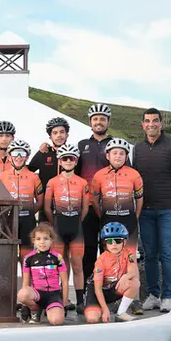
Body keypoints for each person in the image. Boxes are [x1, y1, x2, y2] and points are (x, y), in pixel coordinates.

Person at [133, 108, 171, 313]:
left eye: (155, 121)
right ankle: (153, 295)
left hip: (168, 209)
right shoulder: (137, 149)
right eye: (147, 121)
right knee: (149, 255)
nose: (151, 124)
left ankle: (168, 296)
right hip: (145, 210)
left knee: (167, 253)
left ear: (161, 123)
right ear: (143, 125)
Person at [44, 144, 90, 312]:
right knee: (59, 266)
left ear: (76, 161)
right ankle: (61, 300)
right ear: (60, 161)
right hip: (58, 226)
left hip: (76, 227)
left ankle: (79, 302)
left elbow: (85, 209)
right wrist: (56, 221)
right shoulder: (52, 182)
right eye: (65, 158)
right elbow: (47, 208)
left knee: (77, 265)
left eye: (71, 158)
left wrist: (75, 220)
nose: (68, 161)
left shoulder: (83, 182)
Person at [75, 104, 114, 288]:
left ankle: (109, 290)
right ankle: (88, 291)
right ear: (90, 122)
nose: (99, 122)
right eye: (95, 119)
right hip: (88, 206)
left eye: (102, 119)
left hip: (111, 206)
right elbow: (71, 170)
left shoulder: (115, 145)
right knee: (88, 249)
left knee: (110, 249)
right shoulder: (82, 145)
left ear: (108, 121)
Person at [92, 138, 143, 250]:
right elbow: (95, 200)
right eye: (114, 153)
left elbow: (139, 199)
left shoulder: (134, 174)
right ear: (107, 156)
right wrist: (102, 216)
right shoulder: (99, 175)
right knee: (107, 257)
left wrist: (136, 216)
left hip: (128, 220)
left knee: (130, 257)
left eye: (122, 153)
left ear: (126, 156)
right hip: (107, 220)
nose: (118, 156)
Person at [85, 222, 140, 323]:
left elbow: (133, 271)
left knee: (134, 282)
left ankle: (121, 313)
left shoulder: (128, 254)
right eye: (110, 241)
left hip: (112, 288)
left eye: (118, 240)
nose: (114, 244)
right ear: (105, 243)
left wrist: (126, 276)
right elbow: (97, 288)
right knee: (92, 319)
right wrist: (105, 310)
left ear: (124, 241)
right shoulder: (101, 260)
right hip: (96, 292)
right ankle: (105, 307)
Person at [0, 140, 43, 260]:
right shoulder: (2, 176)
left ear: (27, 157)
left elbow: (40, 201)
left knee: (26, 257)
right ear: (9, 156)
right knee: (6, 257)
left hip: (27, 221)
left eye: (22, 154)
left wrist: (29, 212)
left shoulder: (34, 177)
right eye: (15, 153)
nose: (18, 157)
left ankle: (26, 279)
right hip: (7, 219)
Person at [17, 223, 68, 325]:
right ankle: (35, 310)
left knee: (56, 321)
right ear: (34, 241)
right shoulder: (28, 258)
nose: (42, 242)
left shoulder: (58, 257)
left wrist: (65, 303)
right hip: (38, 294)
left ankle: (51, 309)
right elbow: (26, 282)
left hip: (53, 294)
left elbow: (65, 281)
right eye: (38, 239)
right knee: (22, 294)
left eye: (46, 238)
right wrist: (24, 305)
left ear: (51, 240)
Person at [29, 117, 70, 204]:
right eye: (55, 133)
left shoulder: (73, 154)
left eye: (62, 132)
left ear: (67, 135)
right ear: (50, 137)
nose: (59, 135)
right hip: (46, 201)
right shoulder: (43, 152)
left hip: (68, 201)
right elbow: (28, 170)